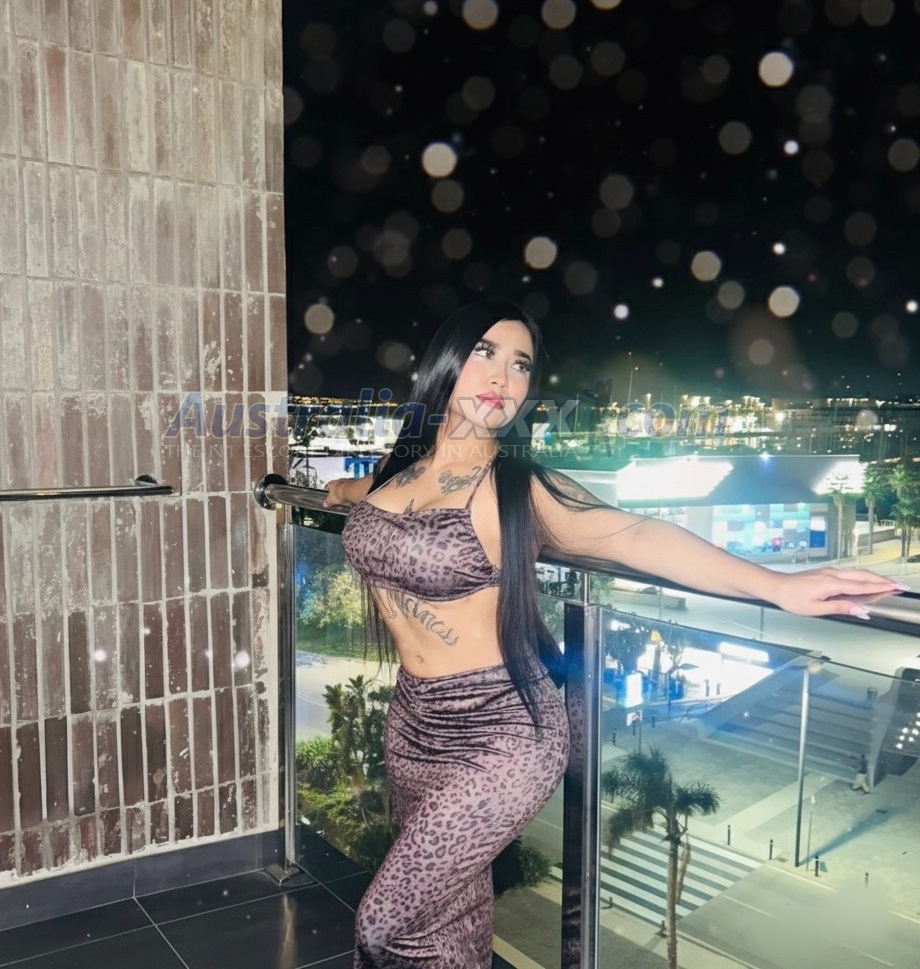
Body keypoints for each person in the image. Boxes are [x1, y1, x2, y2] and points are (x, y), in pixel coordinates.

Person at [323, 299, 900, 969]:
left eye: (521, 365)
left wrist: (774, 584)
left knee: (384, 922)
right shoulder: (399, 473)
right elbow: (364, 500)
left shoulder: (517, 491)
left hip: (502, 734)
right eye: (485, 353)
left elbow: (635, 536)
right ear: (446, 363)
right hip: (414, 722)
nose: (503, 378)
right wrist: (334, 491)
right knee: (449, 914)